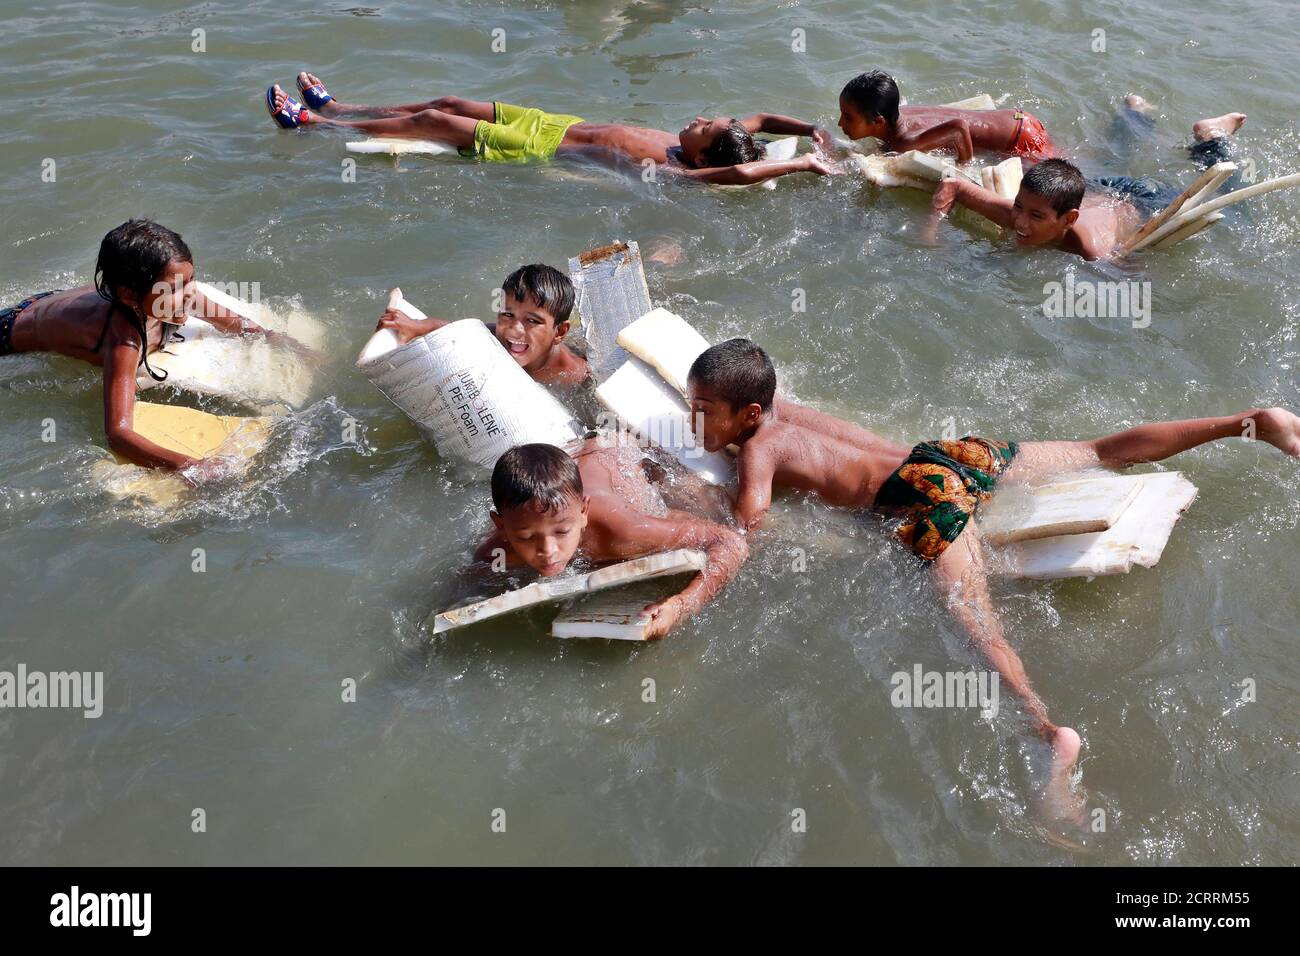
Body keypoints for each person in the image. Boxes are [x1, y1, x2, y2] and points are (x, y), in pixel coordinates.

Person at [685, 337, 1300, 820]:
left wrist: (695, 502)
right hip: (947, 455)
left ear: (750, 412)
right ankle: (1249, 422)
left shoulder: (761, 447)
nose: (692, 423)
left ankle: (1046, 732)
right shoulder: (784, 410)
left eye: (702, 412)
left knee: (971, 618)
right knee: (1100, 449)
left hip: (924, 495)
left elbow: (747, 525)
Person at [2, 219, 293, 477]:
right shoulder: (124, 341)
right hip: (10, 332)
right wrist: (188, 465)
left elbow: (236, 324)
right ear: (130, 296)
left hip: (54, 301)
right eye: (176, 287)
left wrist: (280, 341)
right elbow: (118, 434)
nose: (190, 293)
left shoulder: (176, 293)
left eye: (191, 280)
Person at [266, 72, 836, 185]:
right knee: (450, 99)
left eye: (703, 127)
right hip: (551, 122)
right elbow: (758, 122)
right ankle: (341, 108)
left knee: (434, 122)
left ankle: (311, 126)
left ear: (701, 154)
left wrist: (802, 164)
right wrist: (813, 129)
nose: (697, 119)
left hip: (537, 148)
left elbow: (740, 168)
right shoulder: (677, 141)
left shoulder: (675, 171)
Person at [474, 441, 748, 638]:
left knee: (733, 516)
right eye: (525, 536)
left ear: (583, 513)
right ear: (500, 526)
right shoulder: (494, 554)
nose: (547, 550)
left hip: (624, 451)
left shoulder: (623, 531)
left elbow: (731, 541)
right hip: (572, 458)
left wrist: (682, 605)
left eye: (561, 532)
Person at [925, 102, 1248, 260]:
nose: (1019, 221)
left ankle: (1212, 136)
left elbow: (1135, 279)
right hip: (1096, 188)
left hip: (1143, 201)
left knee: (1239, 214)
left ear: (1068, 221)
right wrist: (931, 232)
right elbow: (955, 185)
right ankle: (1134, 114)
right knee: (1111, 161)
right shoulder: (1019, 215)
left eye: (1035, 216)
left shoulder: (1091, 251)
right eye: (1019, 206)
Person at [374, 263, 590, 386]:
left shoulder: (576, 375)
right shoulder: (501, 337)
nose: (515, 329)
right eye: (508, 314)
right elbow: (460, 331)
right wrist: (415, 325)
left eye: (532, 321)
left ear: (559, 332)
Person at [837, 70, 1060, 163]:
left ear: (878, 121)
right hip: (1013, 117)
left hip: (1023, 139)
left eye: (848, 117)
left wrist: (965, 165)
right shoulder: (898, 111)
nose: (840, 123)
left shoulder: (905, 142)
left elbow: (959, 127)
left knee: (1071, 188)